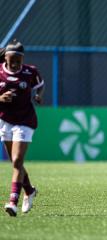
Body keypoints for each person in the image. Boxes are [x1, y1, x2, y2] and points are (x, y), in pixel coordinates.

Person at [1, 40, 45, 216]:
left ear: (23, 59)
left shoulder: (29, 71)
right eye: (11, 61)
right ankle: (29, 190)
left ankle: (13, 202)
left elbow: (40, 85)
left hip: (25, 121)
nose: (14, 65)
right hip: (5, 121)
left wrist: (38, 96)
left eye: (18, 61)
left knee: (17, 161)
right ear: (5, 58)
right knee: (15, 162)